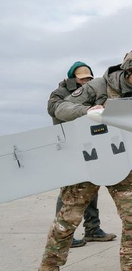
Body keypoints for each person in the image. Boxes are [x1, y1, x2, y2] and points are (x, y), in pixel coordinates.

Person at [38, 49, 132, 271]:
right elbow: (59, 108)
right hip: (87, 161)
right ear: (130, 69)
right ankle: (49, 266)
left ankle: (131, 268)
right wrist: (86, 111)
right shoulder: (97, 87)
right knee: (68, 219)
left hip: (120, 163)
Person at [47, 61, 116, 248]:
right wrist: (83, 109)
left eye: (89, 79)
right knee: (68, 192)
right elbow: (54, 110)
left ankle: (93, 229)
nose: (86, 82)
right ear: (73, 78)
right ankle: (63, 234)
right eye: (82, 79)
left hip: (88, 144)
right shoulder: (60, 93)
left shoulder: (93, 91)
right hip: (69, 145)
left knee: (91, 187)